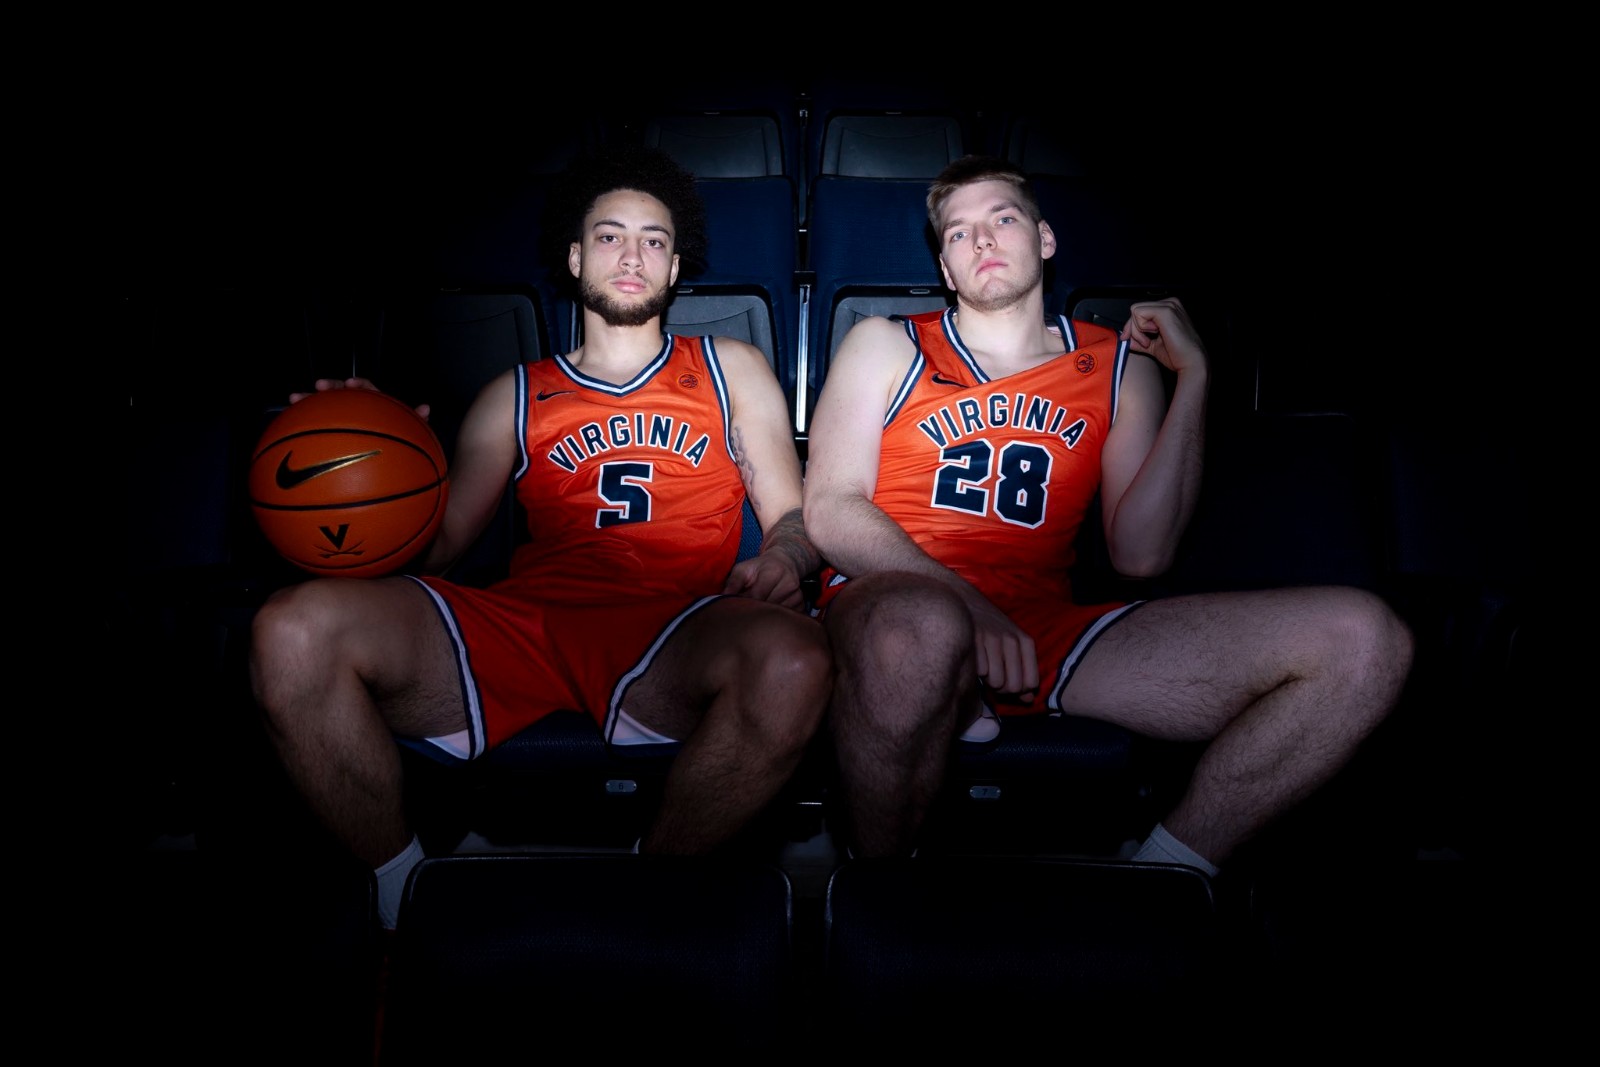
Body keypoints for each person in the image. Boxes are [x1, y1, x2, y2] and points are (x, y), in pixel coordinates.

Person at [250, 143, 831, 931]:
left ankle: (638, 910)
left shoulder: (730, 366)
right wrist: (362, 454)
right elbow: (437, 547)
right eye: (610, 235)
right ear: (575, 256)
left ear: (674, 268)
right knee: (289, 630)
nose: (633, 255)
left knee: (795, 660)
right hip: (525, 624)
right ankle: (404, 901)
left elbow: (791, 515)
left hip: (676, 623)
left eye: (654, 240)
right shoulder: (516, 392)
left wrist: (787, 555)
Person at [802, 155, 1414, 871]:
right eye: (959, 233)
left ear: (1045, 239)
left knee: (1365, 642)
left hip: (1041, 632)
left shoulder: (1118, 365)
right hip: (895, 607)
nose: (983, 240)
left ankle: (1165, 877)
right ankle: (882, 899)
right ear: (945, 266)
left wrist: (1195, 380)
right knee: (922, 630)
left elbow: (1141, 554)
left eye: (1002, 218)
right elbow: (832, 509)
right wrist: (965, 604)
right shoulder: (887, 342)